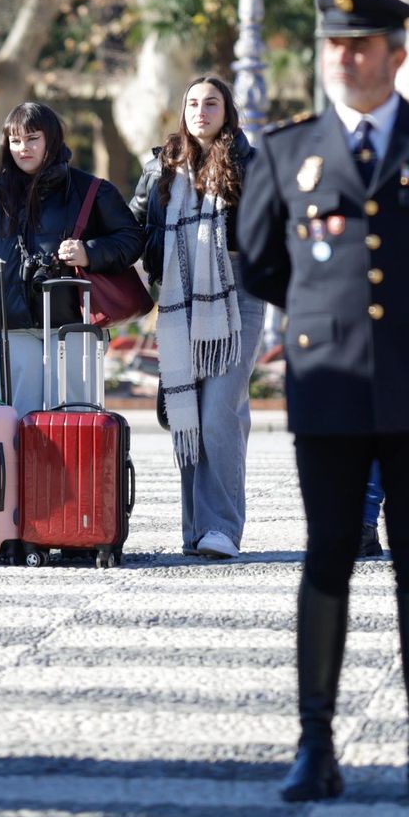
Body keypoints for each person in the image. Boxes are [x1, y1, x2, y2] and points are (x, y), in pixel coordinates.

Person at [239, 0, 409, 805]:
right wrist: (322, 315)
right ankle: (314, 744)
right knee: (327, 555)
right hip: (326, 387)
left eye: (361, 45)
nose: (346, 58)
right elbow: (256, 259)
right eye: (334, 45)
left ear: (396, 55)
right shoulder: (288, 150)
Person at [128, 75, 263, 561]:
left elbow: (271, 228)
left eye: (211, 103)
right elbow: (133, 225)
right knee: (188, 412)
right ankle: (198, 530)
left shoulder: (250, 163)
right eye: (192, 103)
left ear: (227, 110)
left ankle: (222, 528)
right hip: (181, 297)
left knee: (219, 411)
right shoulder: (161, 166)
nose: (200, 111)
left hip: (238, 293)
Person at [0, 103, 144, 417]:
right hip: (9, 328)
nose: (22, 148)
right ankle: (18, 471)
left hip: (75, 323)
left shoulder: (91, 190)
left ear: (51, 140)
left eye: (32, 138)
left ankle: (73, 470)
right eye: (15, 140)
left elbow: (132, 239)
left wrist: (89, 253)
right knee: (14, 421)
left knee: (76, 419)